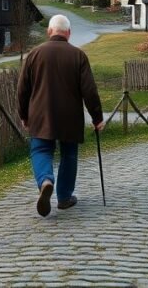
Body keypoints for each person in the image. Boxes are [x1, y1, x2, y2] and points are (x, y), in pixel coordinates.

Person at [17, 13, 104, 217]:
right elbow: (89, 90)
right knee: (69, 154)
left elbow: (22, 89)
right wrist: (97, 118)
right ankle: (64, 198)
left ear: (49, 31)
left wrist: (23, 114)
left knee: (40, 150)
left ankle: (46, 180)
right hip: (70, 117)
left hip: (40, 114)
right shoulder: (78, 55)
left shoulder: (34, 54)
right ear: (69, 34)